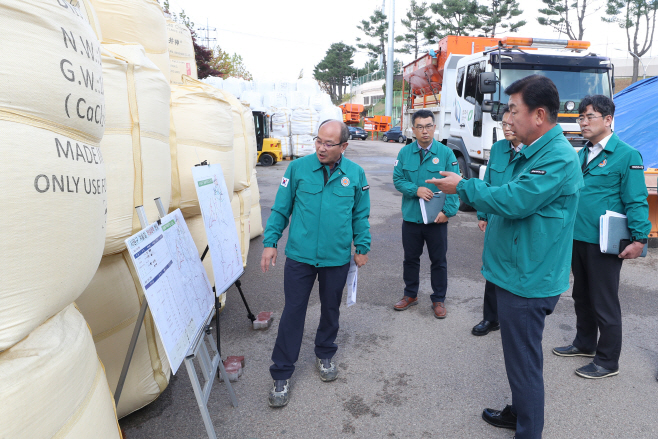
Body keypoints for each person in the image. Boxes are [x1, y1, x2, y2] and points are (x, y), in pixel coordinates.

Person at [426, 75, 583, 439]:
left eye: (513, 110)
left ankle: (528, 431)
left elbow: (514, 200)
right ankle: (519, 412)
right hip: (515, 271)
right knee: (518, 359)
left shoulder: (557, 157)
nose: (506, 118)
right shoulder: (530, 151)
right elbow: (505, 192)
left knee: (525, 363)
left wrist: (463, 186)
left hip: (529, 279)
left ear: (539, 115)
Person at [261, 119, 371, 408]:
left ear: (344, 146)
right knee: (293, 312)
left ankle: (325, 355)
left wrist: (362, 246)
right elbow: (281, 208)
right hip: (300, 256)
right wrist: (270, 243)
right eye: (318, 141)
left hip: (336, 258)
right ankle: (281, 373)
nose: (321, 147)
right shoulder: (297, 169)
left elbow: (360, 215)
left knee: (330, 309)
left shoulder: (356, 174)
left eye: (329, 143)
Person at [552, 95, 651, 379]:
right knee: (582, 295)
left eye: (589, 117)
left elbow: (636, 199)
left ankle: (608, 361)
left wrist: (640, 238)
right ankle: (584, 343)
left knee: (604, 300)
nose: (582, 122)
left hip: (604, 242)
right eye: (580, 117)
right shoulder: (583, 153)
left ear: (608, 120)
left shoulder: (626, 154)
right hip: (578, 237)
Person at [392, 109, 459, 319]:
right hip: (412, 217)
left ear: (434, 127)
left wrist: (448, 212)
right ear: (413, 129)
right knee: (410, 259)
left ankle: (438, 299)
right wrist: (415, 190)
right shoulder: (404, 153)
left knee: (438, 260)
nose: (424, 131)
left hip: (436, 219)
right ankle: (410, 294)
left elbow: (456, 185)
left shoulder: (445, 153)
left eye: (428, 126)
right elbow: (398, 179)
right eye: (420, 127)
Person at [472, 107, 523, 336]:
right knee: (492, 269)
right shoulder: (498, 148)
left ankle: (514, 319)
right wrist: (482, 214)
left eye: (511, 123)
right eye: (503, 124)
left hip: (518, 222)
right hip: (495, 220)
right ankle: (490, 318)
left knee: (515, 269)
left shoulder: (533, 153)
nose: (507, 128)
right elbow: (488, 183)